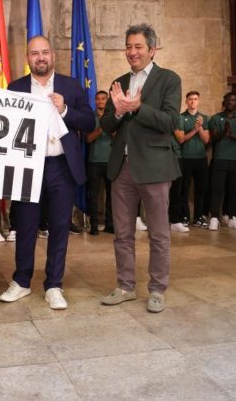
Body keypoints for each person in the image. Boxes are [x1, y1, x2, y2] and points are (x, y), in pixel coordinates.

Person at [0, 35, 94, 310]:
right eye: (34, 53)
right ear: (27, 58)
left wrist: (64, 109)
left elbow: (89, 121)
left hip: (61, 167)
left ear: (52, 55)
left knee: (60, 227)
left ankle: (54, 284)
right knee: (25, 225)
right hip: (28, 166)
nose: (40, 58)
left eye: (44, 52)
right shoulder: (15, 87)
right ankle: (21, 281)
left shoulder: (71, 86)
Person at [100, 23, 181, 314]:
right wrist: (119, 111)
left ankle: (157, 289)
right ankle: (125, 286)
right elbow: (105, 124)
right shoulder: (119, 81)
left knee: (159, 234)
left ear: (151, 49)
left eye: (138, 47)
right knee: (122, 233)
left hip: (156, 168)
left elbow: (171, 122)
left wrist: (137, 108)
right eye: (128, 46)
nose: (132, 52)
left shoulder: (168, 80)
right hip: (122, 168)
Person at [208, 92, 236, 231]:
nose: (231, 102)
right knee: (217, 188)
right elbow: (212, 138)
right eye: (228, 100)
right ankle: (214, 217)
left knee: (235, 189)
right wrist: (223, 132)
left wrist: (231, 135)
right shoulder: (215, 118)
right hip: (220, 159)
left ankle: (232, 216)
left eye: (234, 100)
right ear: (224, 102)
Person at [177, 91, 210, 228]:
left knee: (200, 189)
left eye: (195, 99)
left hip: (201, 158)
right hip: (185, 158)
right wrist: (195, 130)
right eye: (190, 99)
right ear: (186, 101)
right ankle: (184, 216)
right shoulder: (180, 118)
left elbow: (206, 140)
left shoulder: (204, 118)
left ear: (198, 101)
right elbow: (181, 139)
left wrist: (200, 128)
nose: (192, 101)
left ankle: (198, 217)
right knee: (184, 190)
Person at [85, 90, 114, 235]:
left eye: (103, 99)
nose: (101, 101)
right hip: (94, 161)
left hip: (110, 161)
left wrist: (107, 123)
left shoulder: (113, 117)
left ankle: (110, 224)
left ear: (107, 100)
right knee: (94, 195)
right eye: (98, 99)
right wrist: (102, 126)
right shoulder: (90, 117)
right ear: (95, 101)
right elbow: (89, 139)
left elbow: (117, 136)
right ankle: (94, 226)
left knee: (111, 195)